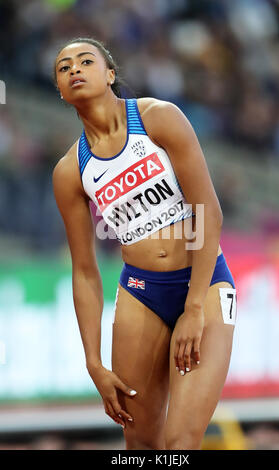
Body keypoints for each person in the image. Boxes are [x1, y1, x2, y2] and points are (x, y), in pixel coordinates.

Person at [52, 37, 237, 450]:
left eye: (85, 61)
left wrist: (192, 308)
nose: (74, 69)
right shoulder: (69, 172)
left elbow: (209, 212)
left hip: (203, 284)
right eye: (64, 69)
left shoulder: (158, 118)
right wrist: (93, 362)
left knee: (180, 442)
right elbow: (84, 271)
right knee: (140, 445)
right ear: (62, 92)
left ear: (110, 74)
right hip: (140, 291)